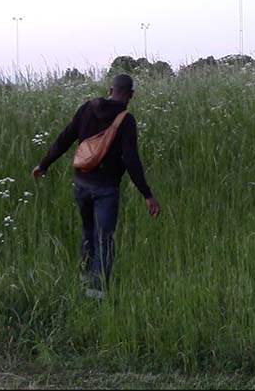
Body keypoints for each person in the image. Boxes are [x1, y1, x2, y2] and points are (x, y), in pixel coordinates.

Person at [31, 74, 160, 299]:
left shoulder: (87, 108)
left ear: (110, 89)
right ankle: (98, 292)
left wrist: (44, 165)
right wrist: (147, 194)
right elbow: (131, 160)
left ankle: (84, 279)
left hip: (81, 183)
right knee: (104, 238)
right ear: (130, 95)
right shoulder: (125, 120)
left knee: (87, 232)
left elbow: (65, 138)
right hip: (106, 188)